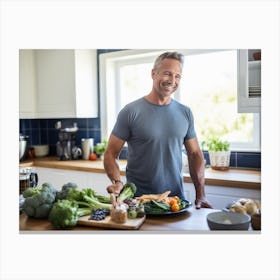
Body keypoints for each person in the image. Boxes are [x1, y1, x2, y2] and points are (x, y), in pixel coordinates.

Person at [103, 51, 212, 209]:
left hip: (174, 202)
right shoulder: (130, 112)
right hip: (138, 204)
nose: (172, 81)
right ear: (153, 74)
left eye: (177, 76)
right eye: (167, 74)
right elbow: (110, 153)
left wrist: (201, 195)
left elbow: (195, 155)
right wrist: (117, 182)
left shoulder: (185, 113)